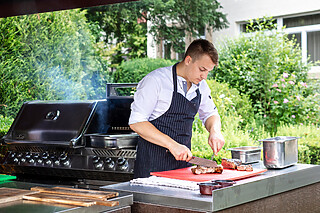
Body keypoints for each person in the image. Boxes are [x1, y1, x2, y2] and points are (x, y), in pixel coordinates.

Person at [129, 39, 225, 178]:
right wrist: (172, 145)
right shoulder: (156, 81)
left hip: (183, 169)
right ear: (188, 60)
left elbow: (210, 113)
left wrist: (215, 131)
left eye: (208, 72)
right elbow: (137, 122)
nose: (204, 76)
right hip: (152, 170)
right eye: (202, 69)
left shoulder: (201, 86)